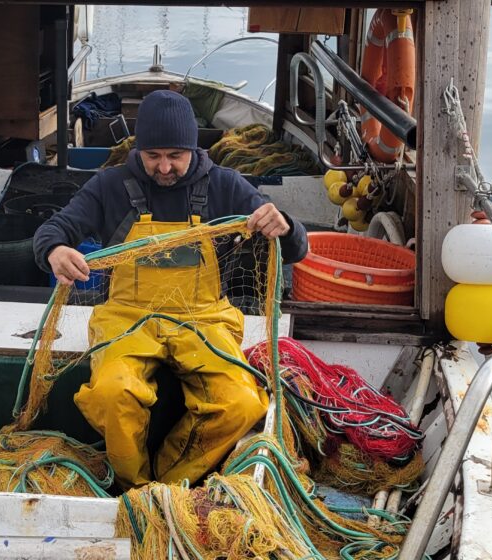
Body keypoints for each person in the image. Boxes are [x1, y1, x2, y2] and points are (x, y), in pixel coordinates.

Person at [33, 90, 308, 489]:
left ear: (193, 149)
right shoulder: (110, 186)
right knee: (113, 394)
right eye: (153, 156)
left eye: (175, 156)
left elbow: (296, 248)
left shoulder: (226, 186)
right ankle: (135, 485)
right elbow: (52, 230)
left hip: (204, 319)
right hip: (129, 317)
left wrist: (284, 223)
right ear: (139, 150)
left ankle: (171, 483)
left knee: (242, 402)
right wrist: (55, 251)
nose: (164, 167)